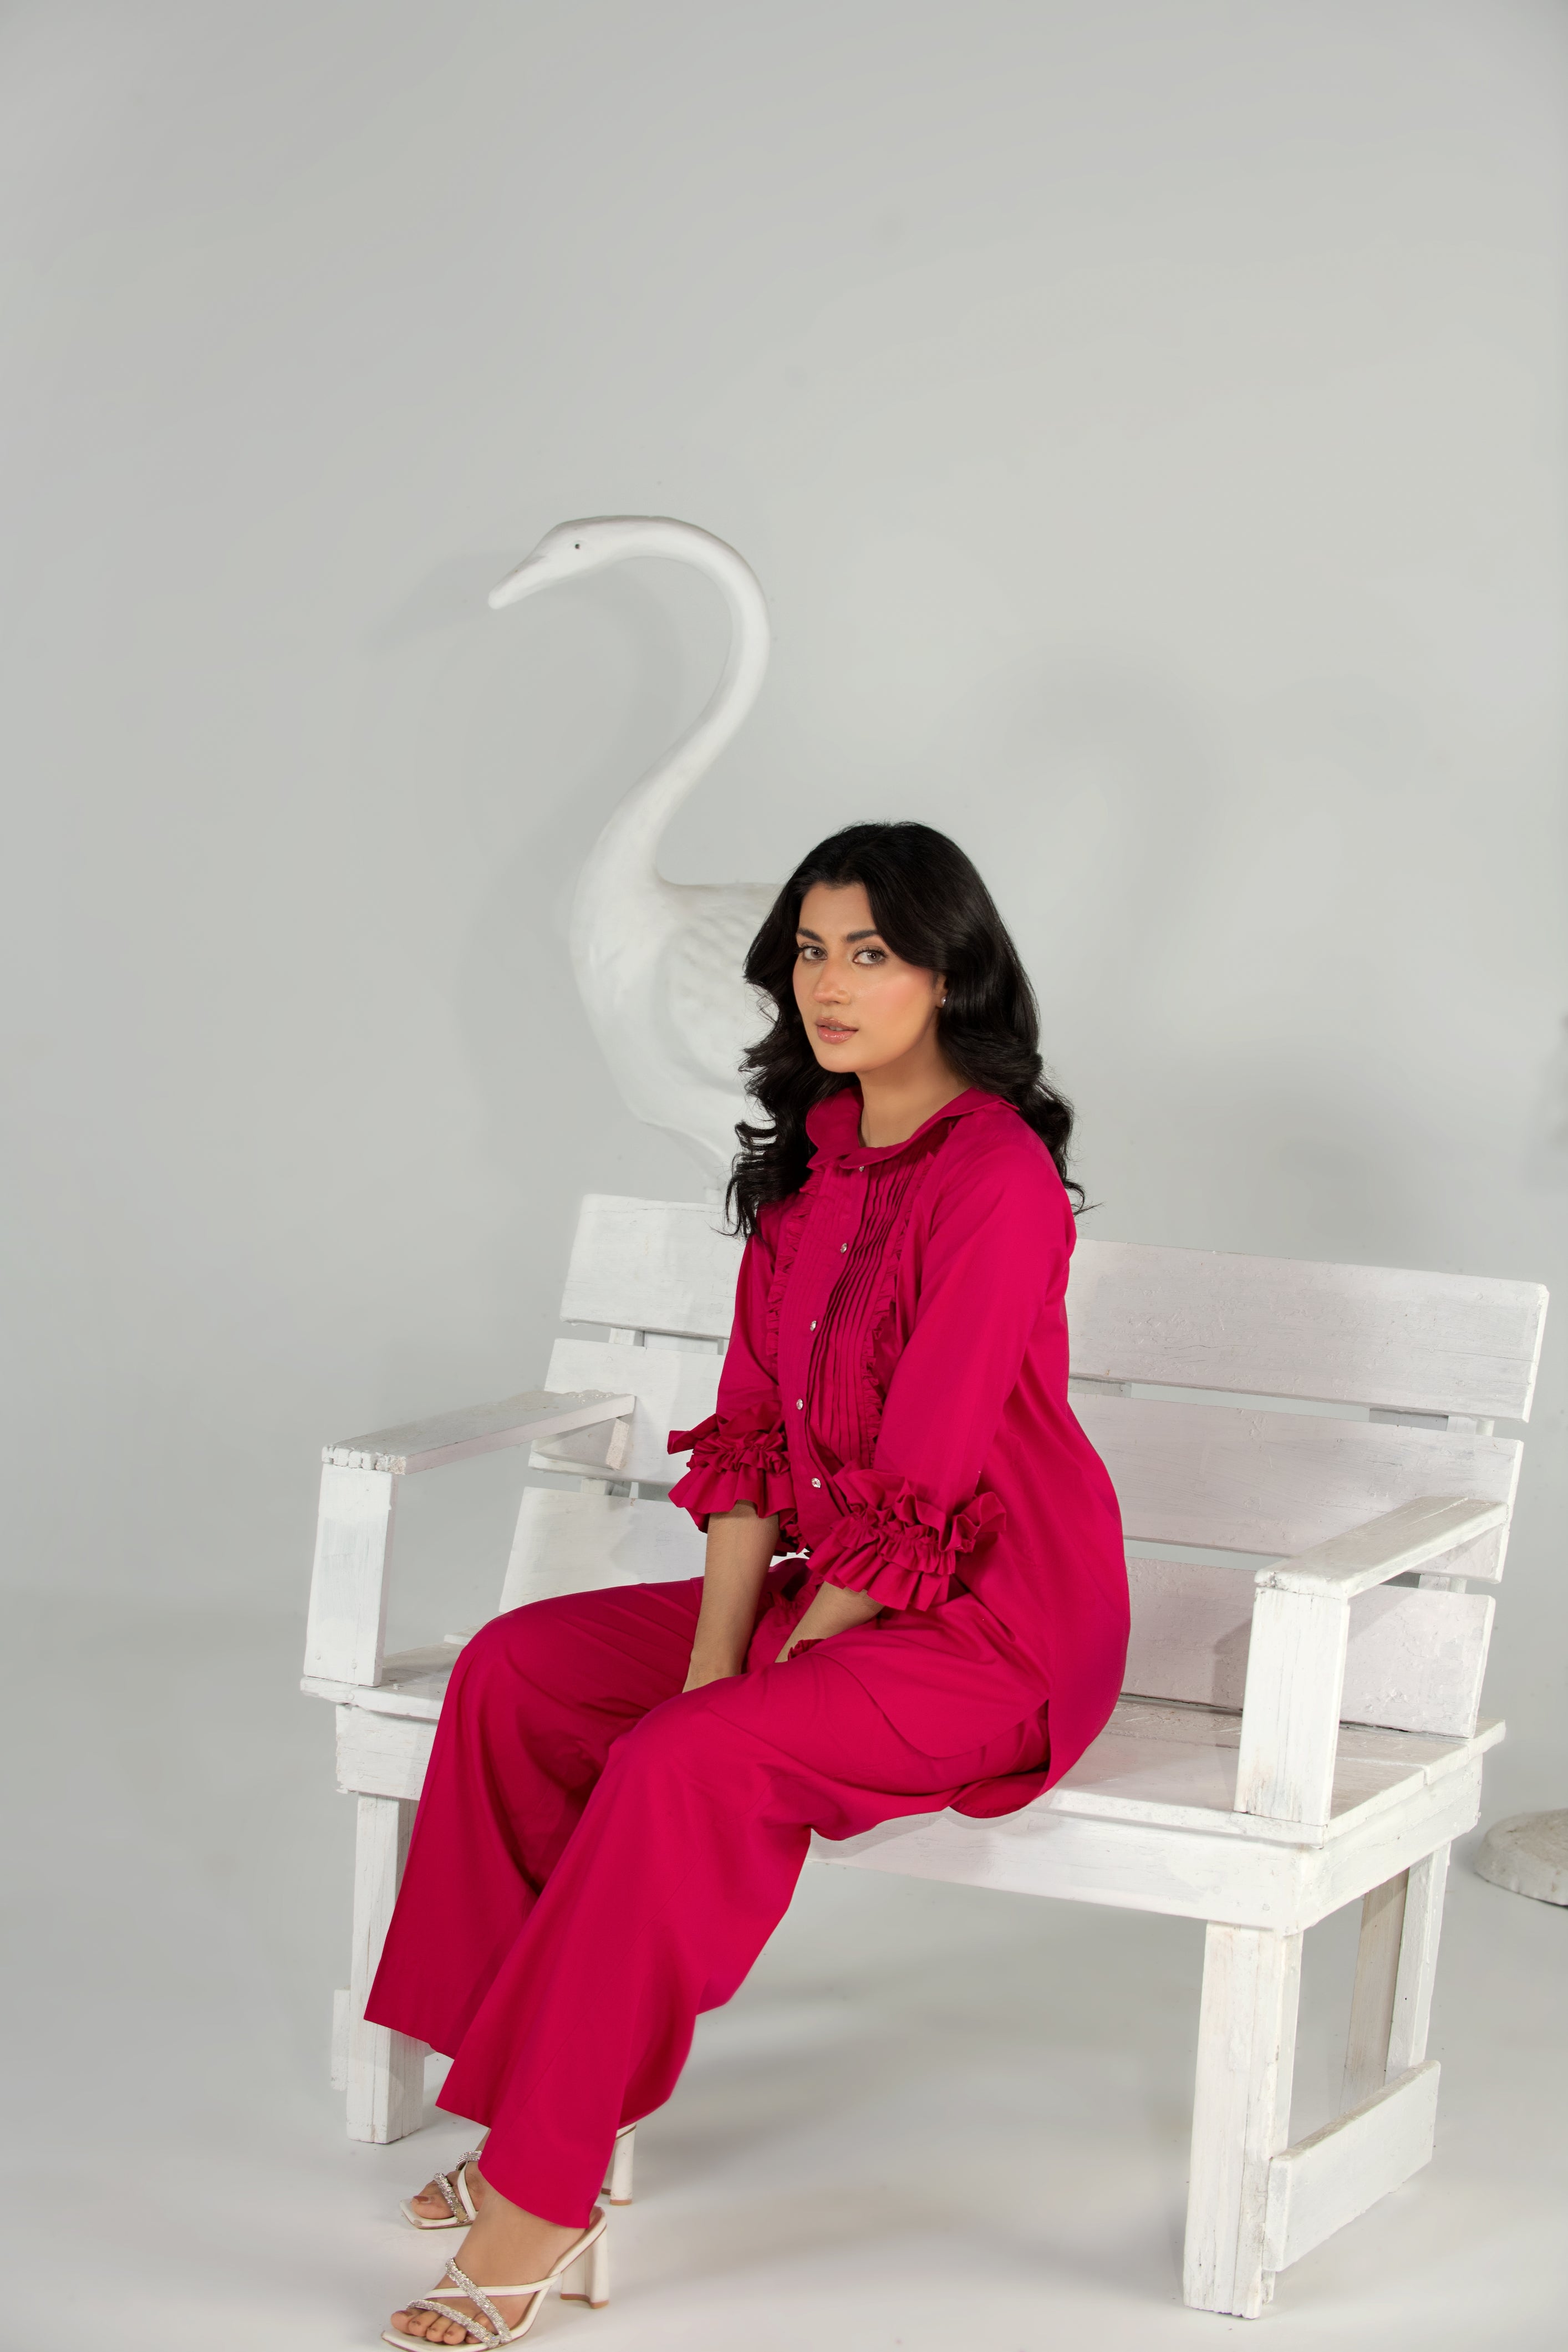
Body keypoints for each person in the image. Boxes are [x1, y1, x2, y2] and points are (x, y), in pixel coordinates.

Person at [369, 821, 1128, 2348]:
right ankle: (521, 2089)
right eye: (808, 947)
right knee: (518, 1670)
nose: (830, 983)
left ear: (948, 971)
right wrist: (726, 1658)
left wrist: (745, 1691)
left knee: (684, 1759)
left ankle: (543, 2188)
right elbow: (750, 1449)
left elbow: (919, 1479)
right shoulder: (804, 1164)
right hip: (829, 1590)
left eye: (872, 951)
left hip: (992, 1624)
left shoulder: (994, 1178)